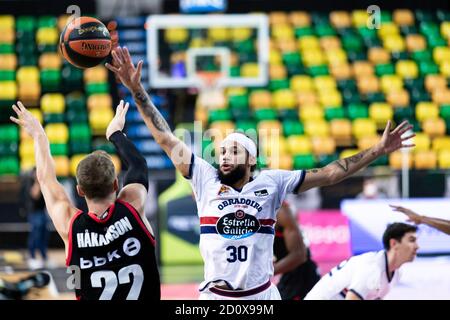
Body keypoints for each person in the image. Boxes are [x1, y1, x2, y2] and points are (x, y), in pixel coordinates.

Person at [106, 46, 415, 300]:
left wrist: (378, 150)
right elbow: (165, 138)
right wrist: (137, 90)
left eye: (234, 152)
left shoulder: (273, 181)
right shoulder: (204, 177)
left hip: (262, 296)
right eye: (223, 152)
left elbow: (333, 173)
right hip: (216, 298)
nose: (225, 157)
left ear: (251, 160)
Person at [10, 100, 160, 300]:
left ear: (79, 190)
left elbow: (45, 179)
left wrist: (39, 135)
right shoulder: (133, 206)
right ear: (116, 184)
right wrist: (115, 133)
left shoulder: (70, 226)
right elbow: (138, 165)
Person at [304, 222, 418, 300]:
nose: (417, 246)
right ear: (394, 244)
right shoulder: (372, 268)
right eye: (411, 240)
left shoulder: (396, 272)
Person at [274, 202, 321, 300]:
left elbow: (300, 256)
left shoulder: (281, 211)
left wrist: (265, 273)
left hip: (302, 275)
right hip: (288, 274)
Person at [27, 168, 50, 270]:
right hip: (35, 213)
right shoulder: (30, 183)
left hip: (43, 212)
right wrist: (37, 181)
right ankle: (32, 257)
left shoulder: (43, 184)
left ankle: (44, 257)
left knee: (44, 235)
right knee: (35, 235)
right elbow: (35, 195)